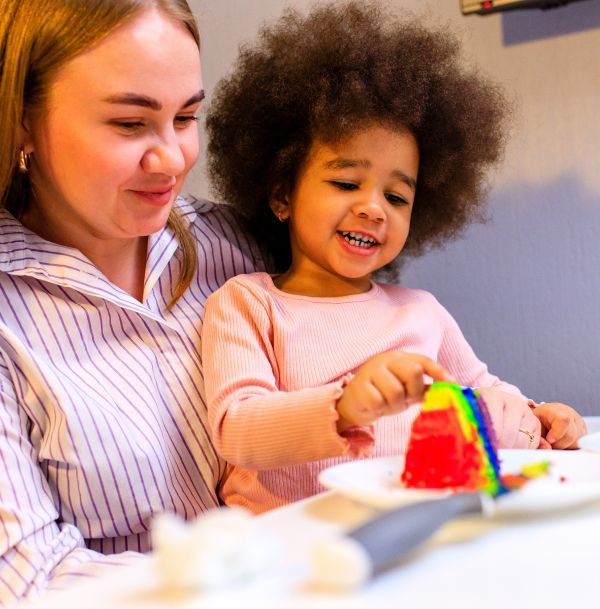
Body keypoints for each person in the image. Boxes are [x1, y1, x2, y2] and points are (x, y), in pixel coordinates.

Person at [202, 1, 587, 515]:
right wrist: (343, 407)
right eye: (345, 182)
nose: (373, 208)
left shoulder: (420, 311)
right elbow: (237, 429)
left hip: (416, 526)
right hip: (293, 543)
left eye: (397, 197)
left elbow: (483, 393)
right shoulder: (248, 303)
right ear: (281, 194)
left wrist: (540, 417)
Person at [0, 0, 261, 604]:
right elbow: (30, 582)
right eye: (129, 124)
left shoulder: (241, 247)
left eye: (187, 116)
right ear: (20, 121)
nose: (171, 159)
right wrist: (261, 575)